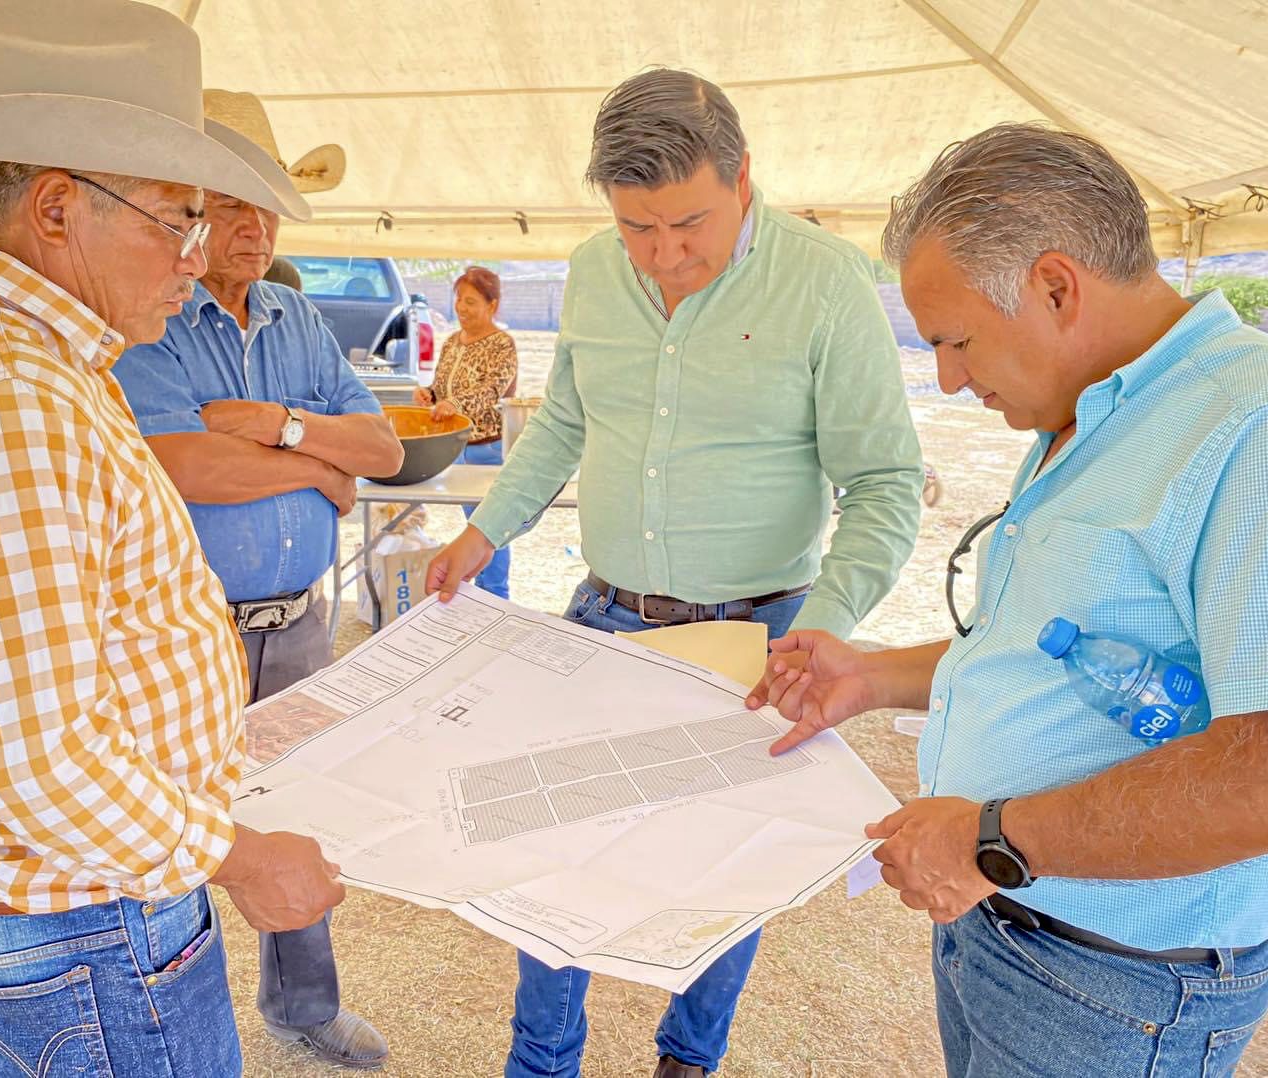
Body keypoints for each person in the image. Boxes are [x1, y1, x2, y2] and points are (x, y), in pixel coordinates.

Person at [0, 4, 345, 1076]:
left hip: (20, 903)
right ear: (57, 208)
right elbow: (35, 759)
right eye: (177, 219)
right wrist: (237, 857)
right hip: (83, 926)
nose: (194, 257)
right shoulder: (10, 395)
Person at [752, 123, 1268, 1076]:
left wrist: (992, 840)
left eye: (955, 341)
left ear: (1055, 287)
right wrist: (870, 678)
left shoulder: (1254, 427)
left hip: (1119, 983)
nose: (949, 379)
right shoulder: (1092, 408)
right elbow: (1047, 645)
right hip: (1010, 920)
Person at [427, 69, 925, 1078]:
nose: (664, 255)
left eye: (689, 223)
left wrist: (826, 624)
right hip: (605, 618)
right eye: (636, 229)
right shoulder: (590, 271)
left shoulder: (826, 282)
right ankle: (541, 1062)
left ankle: (688, 1059)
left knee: (723, 869)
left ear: (743, 179)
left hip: (760, 635)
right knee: (552, 851)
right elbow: (565, 421)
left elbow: (884, 483)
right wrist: (485, 531)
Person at [112, 89, 402, 1070]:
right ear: (186, 210)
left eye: (268, 206)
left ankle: (304, 1007)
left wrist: (278, 427)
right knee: (169, 822)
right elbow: (182, 464)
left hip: (302, 623)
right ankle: (174, 1020)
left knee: (298, 814)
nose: (255, 226)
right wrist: (321, 465)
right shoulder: (151, 320)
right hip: (185, 629)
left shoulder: (298, 317)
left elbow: (383, 449)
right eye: (231, 203)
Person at [413, 265, 518, 598]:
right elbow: (442, 386)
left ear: (492, 305)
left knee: (489, 528)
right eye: (459, 299)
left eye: (471, 301)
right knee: (473, 529)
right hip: (453, 448)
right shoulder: (451, 343)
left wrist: (455, 404)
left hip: (487, 450)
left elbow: (492, 390)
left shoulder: (502, 344)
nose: (461, 307)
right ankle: (480, 598)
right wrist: (429, 395)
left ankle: (496, 596)